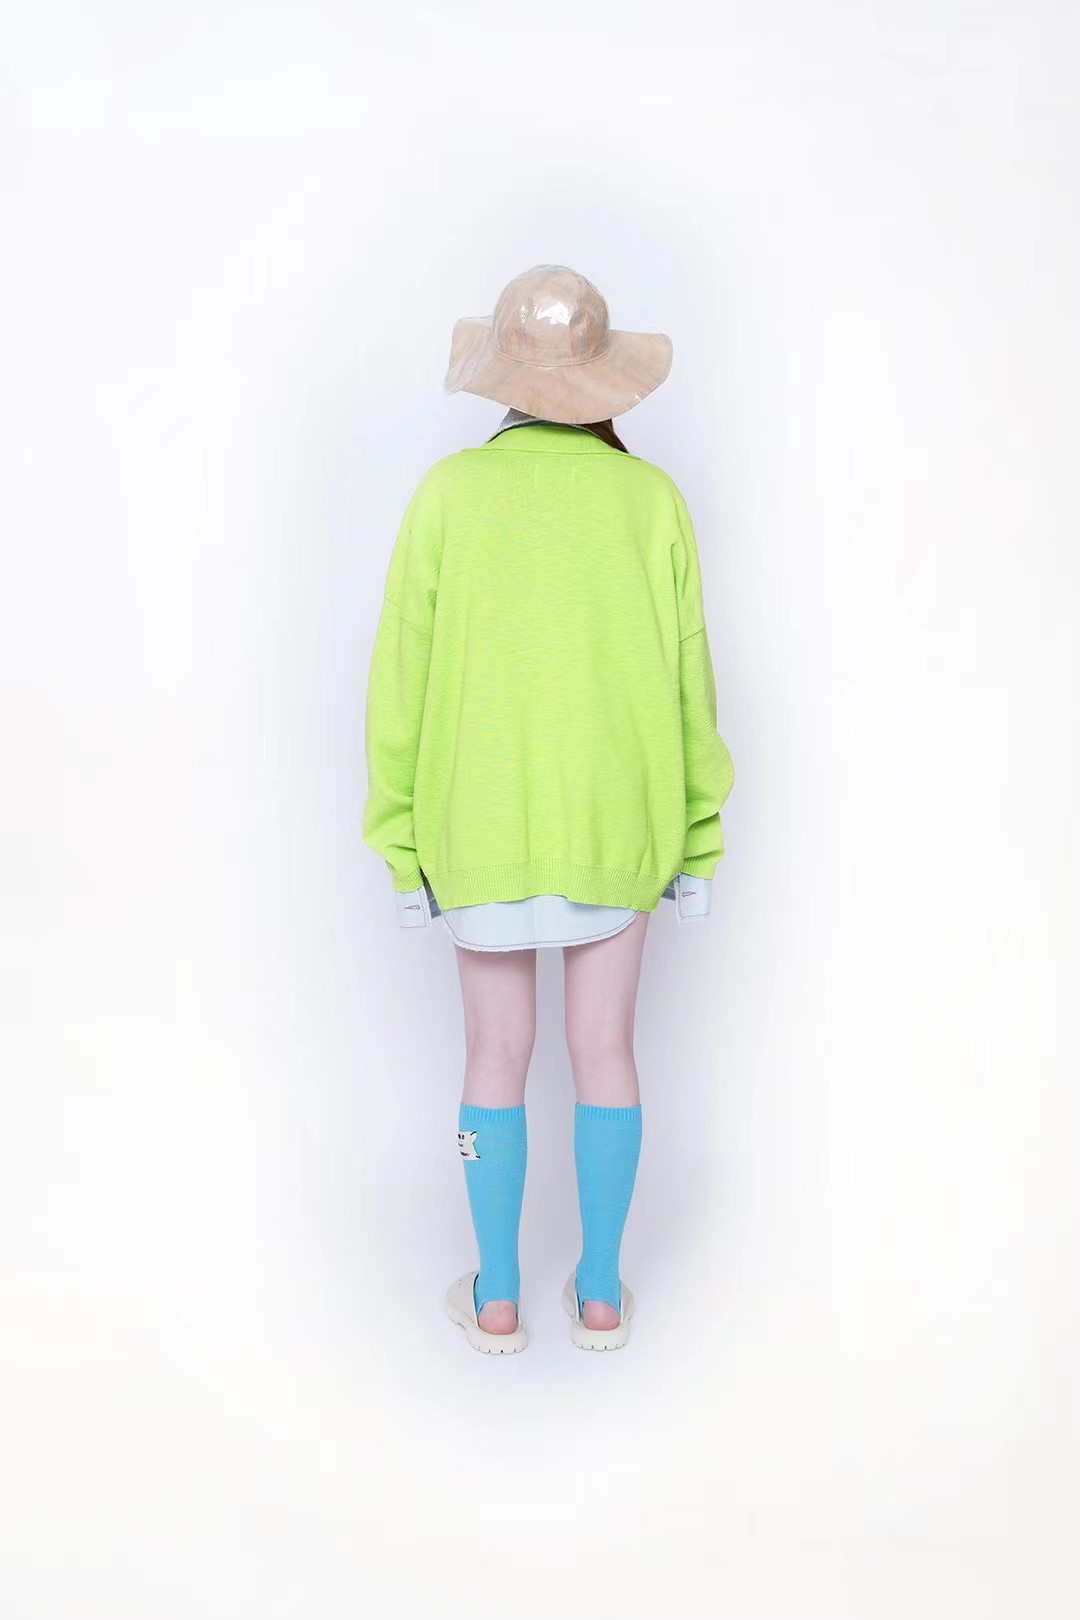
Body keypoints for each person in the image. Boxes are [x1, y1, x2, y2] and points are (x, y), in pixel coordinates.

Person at [362, 264, 735, 1354]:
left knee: (494, 1056)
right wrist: (697, 843)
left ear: (503, 379)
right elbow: (690, 688)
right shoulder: (652, 500)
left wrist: (400, 845)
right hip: (617, 826)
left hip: (476, 829)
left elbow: (399, 686)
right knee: (606, 1052)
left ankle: (495, 1299)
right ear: (604, 381)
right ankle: (602, 1295)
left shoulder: (446, 495)